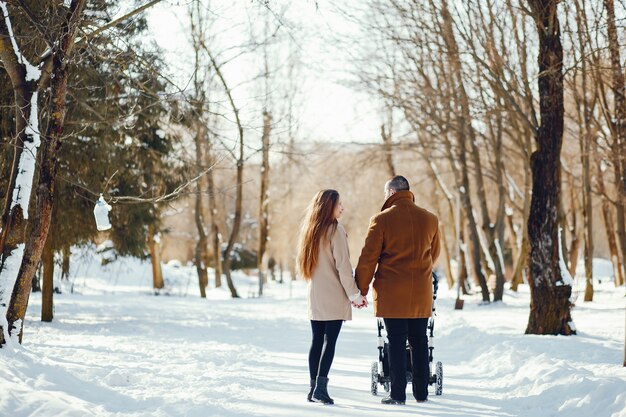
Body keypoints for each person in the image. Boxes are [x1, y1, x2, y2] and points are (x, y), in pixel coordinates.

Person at [355, 176, 440, 405]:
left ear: (392, 192)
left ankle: (398, 394)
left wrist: (360, 288)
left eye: (386, 194)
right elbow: (434, 254)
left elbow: (368, 258)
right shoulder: (430, 219)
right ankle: (421, 393)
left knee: (395, 340)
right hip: (421, 292)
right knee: (419, 340)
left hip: (392, 293)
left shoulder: (382, 220)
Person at [297, 189, 368, 405]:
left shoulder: (310, 231)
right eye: (339, 205)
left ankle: (312, 388)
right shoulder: (335, 230)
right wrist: (355, 295)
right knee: (330, 341)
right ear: (330, 207)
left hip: (315, 295)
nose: (342, 208)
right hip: (334, 294)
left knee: (317, 340)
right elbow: (344, 268)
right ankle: (321, 389)